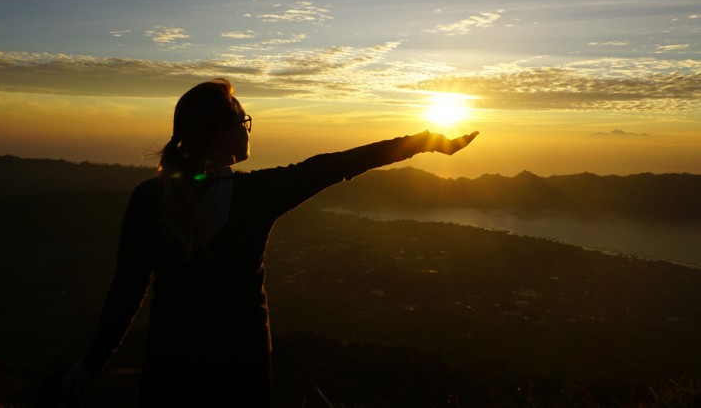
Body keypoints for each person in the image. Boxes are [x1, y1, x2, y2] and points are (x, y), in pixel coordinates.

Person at [60, 78, 478, 406]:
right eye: (243, 122)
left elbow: (127, 289)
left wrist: (94, 362)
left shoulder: (147, 199)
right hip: (240, 369)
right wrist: (426, 142)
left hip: (170, 366)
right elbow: (337, 166)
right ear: (223, 136)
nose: (247, 130)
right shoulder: (255, 195)